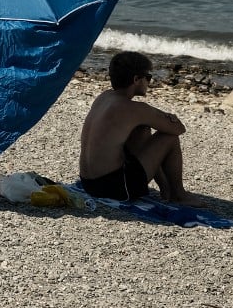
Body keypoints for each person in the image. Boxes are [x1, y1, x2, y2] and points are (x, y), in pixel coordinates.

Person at [78, 51, 203, 206]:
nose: (149, 82)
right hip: (114, 189)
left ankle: (166, 190)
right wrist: (170, 117)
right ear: (136, 79)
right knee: (169, 138)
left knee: (141, 130)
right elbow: (178, 129)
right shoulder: (134, 109)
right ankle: (178, 194)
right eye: (148, 77)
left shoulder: (104, 97)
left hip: (89, 183)